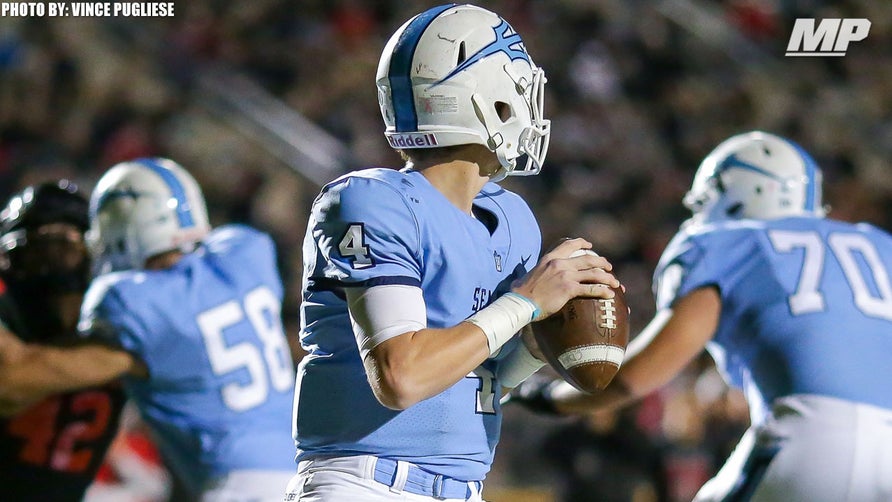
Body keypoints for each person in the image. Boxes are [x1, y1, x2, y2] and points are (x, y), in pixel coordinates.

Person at [286, 4, 620, 502]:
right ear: (488, 102)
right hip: (365, 484)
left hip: (462, 489)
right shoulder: (372, 201)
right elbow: (402, 377)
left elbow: (472, 381)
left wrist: (535, 342)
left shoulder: (512, 219)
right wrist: (525, 304)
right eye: (518, 89)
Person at [508, 131, 892, 501]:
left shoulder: (728, 243)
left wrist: (541, 395)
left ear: (737, 193)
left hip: (814, 439)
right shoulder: (879, 244)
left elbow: (630, 382)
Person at [0, 158, 297, 501]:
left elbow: (14, 381)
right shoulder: (245, 254)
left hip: (238, 489)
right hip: (305, 473)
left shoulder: (134, 303)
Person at [0, 180, 128, 501]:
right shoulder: (123, 339)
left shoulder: (117, 320)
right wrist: (124, 356)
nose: (55, 259)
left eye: (68, 246)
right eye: (45, 247)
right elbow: (8, 385)